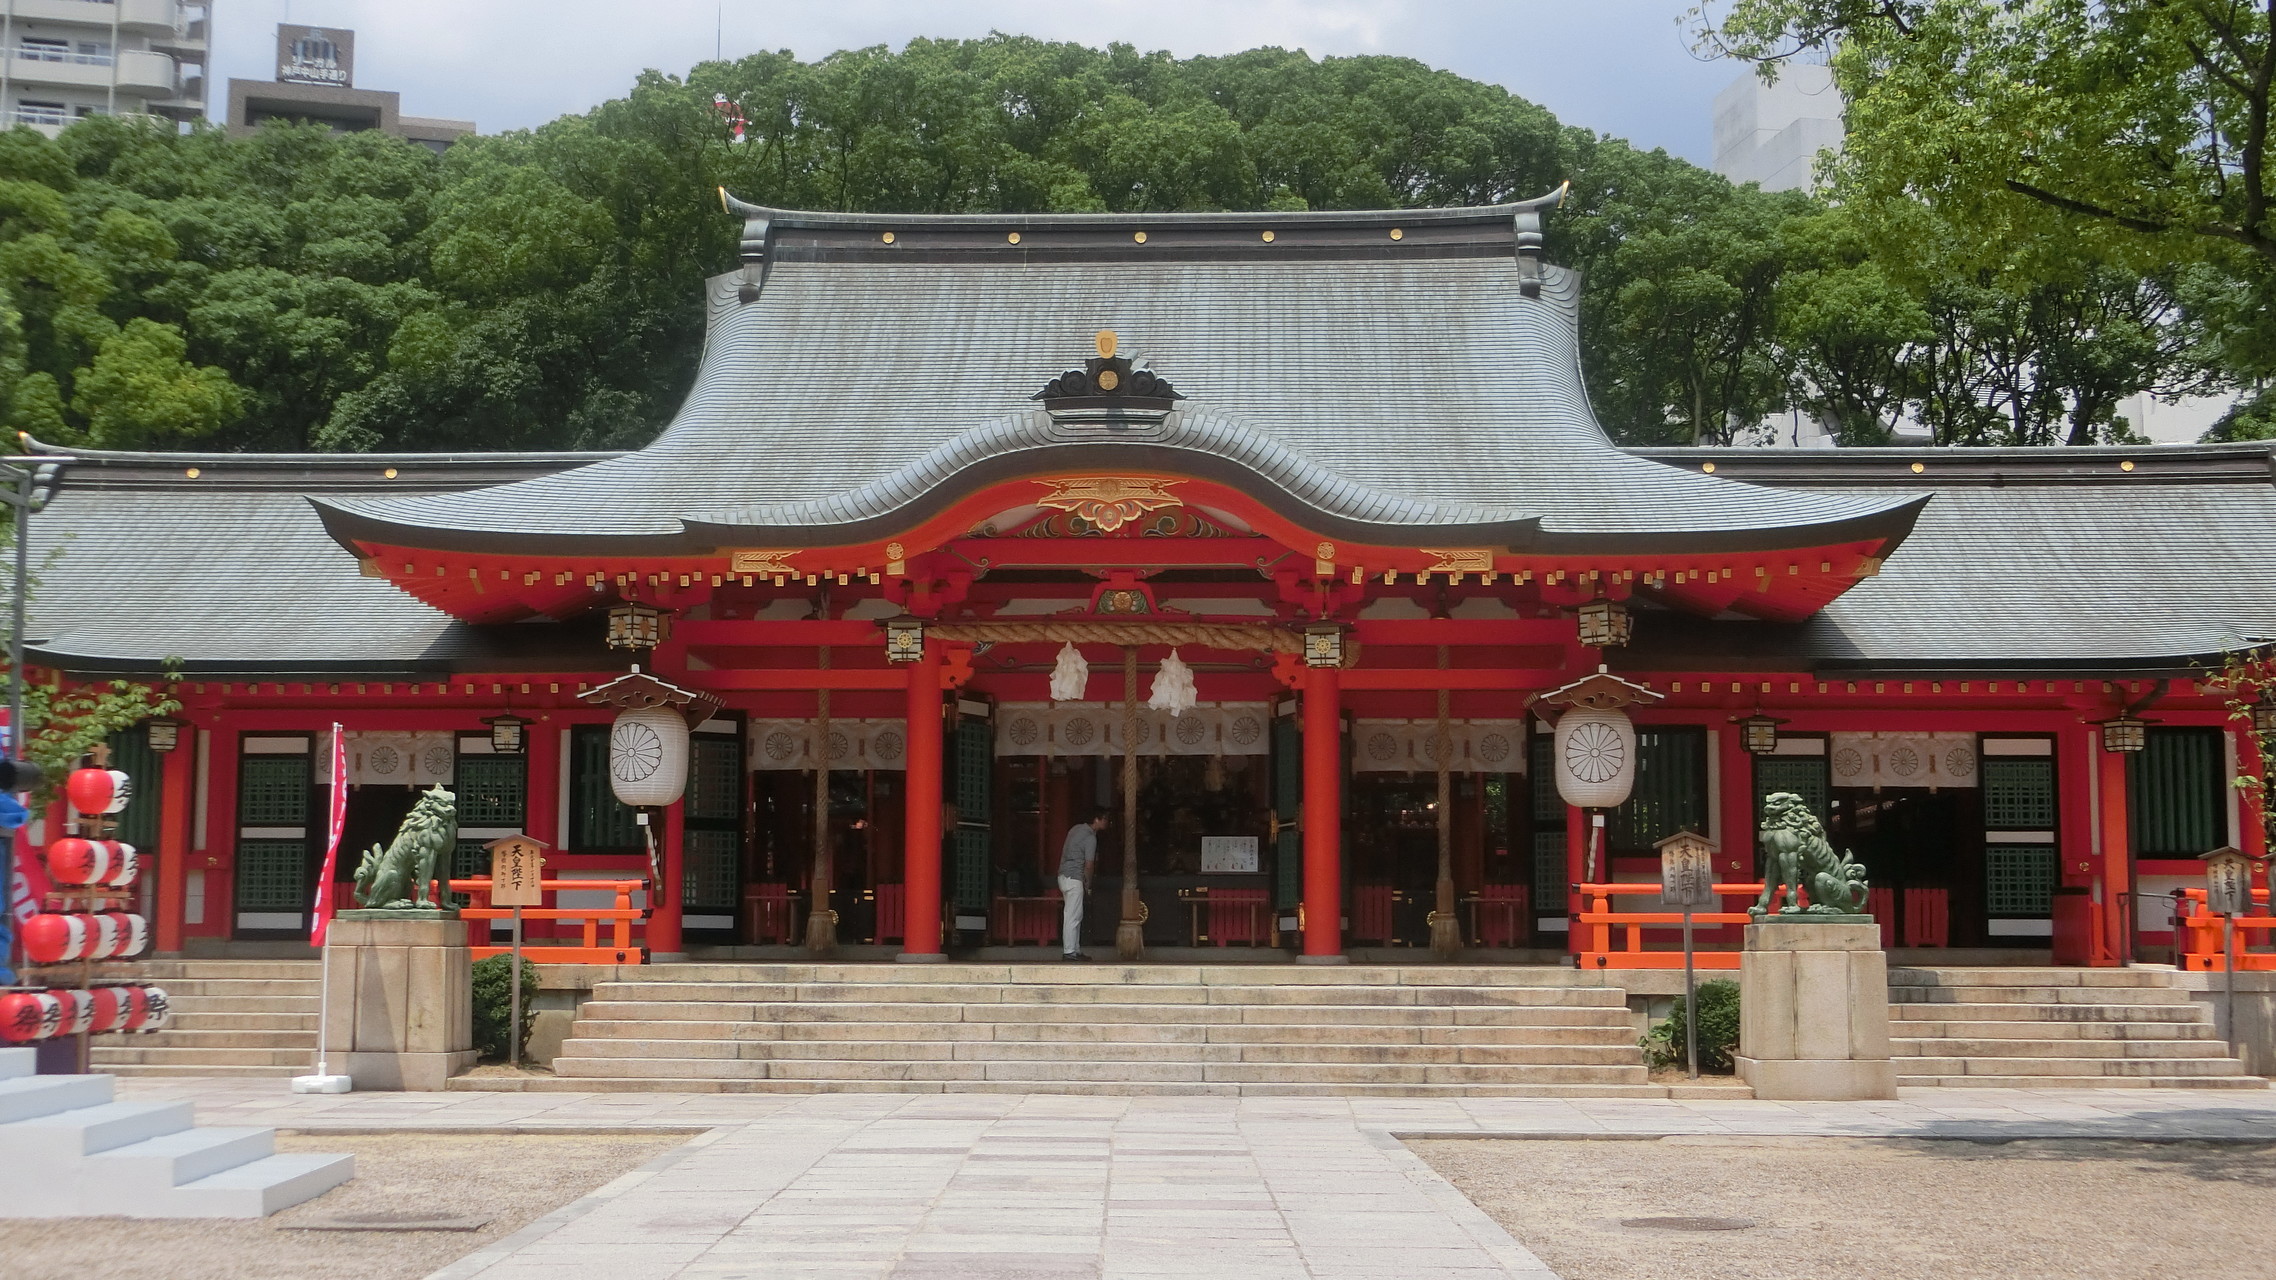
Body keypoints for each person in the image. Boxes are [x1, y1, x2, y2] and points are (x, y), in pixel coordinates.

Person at [1058, 807, 1107, 961]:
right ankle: (1069, 951)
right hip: (1075, 878)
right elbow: (1089, 864)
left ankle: (1075, 948)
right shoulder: (1090, 837)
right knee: (1073, 915)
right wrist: (1088, 883)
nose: (1107, 822)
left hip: (1063, 876)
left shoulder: (1074, 830)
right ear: (1097, 820)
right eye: (1104, 819)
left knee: (1075, 914)